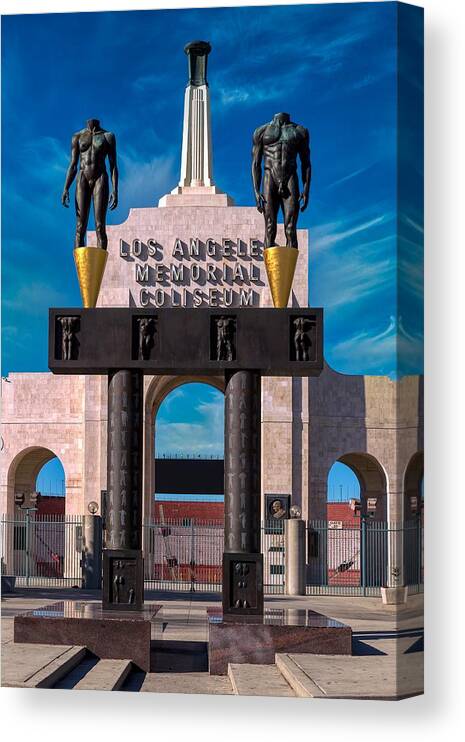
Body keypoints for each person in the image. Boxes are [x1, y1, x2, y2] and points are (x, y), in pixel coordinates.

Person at [252, 112, 311, 249]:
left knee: (291, 229)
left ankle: (290, 271)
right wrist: (256, 190)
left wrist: (306, 189)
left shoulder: (300, 131)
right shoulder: (261, 131)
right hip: (269, 178)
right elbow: (256, 163)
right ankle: (270, 270)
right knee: (270, 228)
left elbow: (306, 163)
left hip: (290, 177)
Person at [62, 118, 118, 249]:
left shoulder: (108, 136)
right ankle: (81, 268)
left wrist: (115, 190)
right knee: (80, 227)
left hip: (100, 178)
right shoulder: (78, 136)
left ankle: (100, 269)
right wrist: (66, 188)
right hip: (83, 178)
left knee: (100, 226)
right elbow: (73, 165)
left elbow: (113, 166)